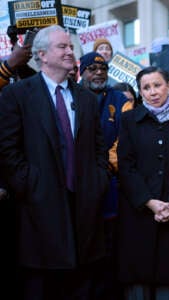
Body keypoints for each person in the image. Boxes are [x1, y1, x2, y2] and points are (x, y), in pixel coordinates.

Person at [0, 24, 110, 300]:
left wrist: (96, 182)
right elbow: (7, 150)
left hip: (83, 211)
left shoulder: (85, 98)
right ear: (42, 55)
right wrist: (31, 186)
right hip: (38, 212)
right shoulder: (18, 95)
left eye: (71, 46)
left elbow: (99, 148)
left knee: (82, 286)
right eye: (62, 46)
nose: (69, 51)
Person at [116, 66, 169, 300]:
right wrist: (149, 201)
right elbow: (126, 165)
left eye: (157, 85)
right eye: (146, 88)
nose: (153, 92)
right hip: (139, 214)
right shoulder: (130, 120)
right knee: (138, 281)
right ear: (140, 92)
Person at [79, 51, 128, 300]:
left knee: (109, 250)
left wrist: (106, 167)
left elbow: (125, 133)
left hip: (109, 184)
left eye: (103, 69)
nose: (99, 73)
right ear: (82, 72)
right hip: (77, 185)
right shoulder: (71, 95)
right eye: (92, 69)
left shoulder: (118, 98)